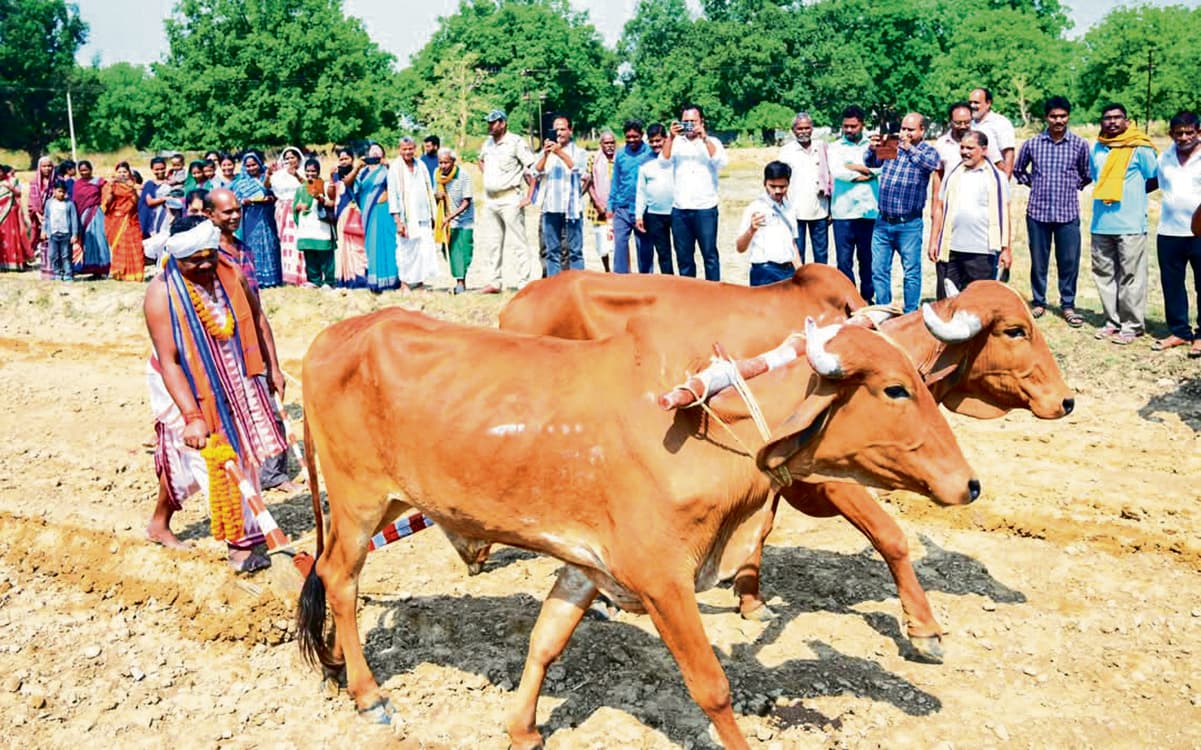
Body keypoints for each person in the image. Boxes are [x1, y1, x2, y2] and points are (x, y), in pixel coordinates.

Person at [143, 216, 287, 572]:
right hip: (182, 386)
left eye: (209, 254)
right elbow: (170, 360)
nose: (206, 263)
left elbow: (257, 320)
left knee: (199, 460)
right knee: (219, 457)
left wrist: (273, 367)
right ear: (177, 256)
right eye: (195, 259)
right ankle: (243, 545)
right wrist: (192, 416)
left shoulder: (230, 272)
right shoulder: (161, 294)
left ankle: (158, 523)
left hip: (236, 376)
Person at [1014, 96, 1092, 325]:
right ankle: (1039, 302)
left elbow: (1086, 174)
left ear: (1068, 117)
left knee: (1069, 260)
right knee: (1039, 260)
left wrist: (1070, 186)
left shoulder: (1079, 145)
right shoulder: (1033, 144)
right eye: (1053, 116)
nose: (1058, 120)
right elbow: (1019, 170)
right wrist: (1036, 184)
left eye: (1062, 116)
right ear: (1046, 118)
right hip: (1038, 213)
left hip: (1067, 213)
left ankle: (1067, 304)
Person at [1089, 103, 1158, 345]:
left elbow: (1154, 179)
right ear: (1102, 121)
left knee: (1132, 276)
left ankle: (1132, 325)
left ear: (1127, 121)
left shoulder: (1141, 147)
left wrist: (1131, 195)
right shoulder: (1097, 147)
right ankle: (1112, 321)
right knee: (1104, 274)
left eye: (1118, 117)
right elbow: (1095, 178)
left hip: (1130, 223)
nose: (1112, 122)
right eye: (1107, 118)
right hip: (1101, 223)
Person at [866, 112, 940, 313]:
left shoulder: (927, 151)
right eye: (903, 128)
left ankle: (910, 312)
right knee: (879, 270)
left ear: (922, 130)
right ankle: (884, 310)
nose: (905, 133)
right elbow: (871, 163)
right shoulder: (892, 145)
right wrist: (872, 149)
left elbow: (931, 165)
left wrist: (908, 148)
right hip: (883, 221)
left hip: (909, 224)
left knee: (911, 272)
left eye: (910, 129)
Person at [927, 131, 1011, 290]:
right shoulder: (952, 175)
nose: (965, 152)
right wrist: (933, 241)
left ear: (984, 150)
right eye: (963, 147)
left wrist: (1006, 249)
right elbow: (940, 207)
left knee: (977, 303)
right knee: (947, 301)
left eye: (970, 148)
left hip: (982, 251)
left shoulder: (997, 178)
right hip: (950, 249)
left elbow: (1005, 215)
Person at [1150, 111, 1201, 357]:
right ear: (1171, 134)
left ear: (1198, 132)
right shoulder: (1164, 158)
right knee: (1172, 285)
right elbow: (1152, 184)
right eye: (1178, 133)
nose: (1183, 137)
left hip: (1200, 233)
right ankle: (1180, 331)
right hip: (1169, 231)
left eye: (1189, 132)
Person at [662, 105, 727, 280]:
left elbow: (721, 162)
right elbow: (663, 162)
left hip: (705, 208)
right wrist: (670, 137)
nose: (689, 125)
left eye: (693, 121)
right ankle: (687, 296)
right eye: (686, 122)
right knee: (684, 258)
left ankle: (714, 294)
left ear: (701, 122)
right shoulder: (675, 143)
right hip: (680, 209)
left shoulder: (713, 142)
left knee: (709, 255)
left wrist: (704, 138)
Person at [478, 109, 536, 293]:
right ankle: (494, 282)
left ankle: (524, 283)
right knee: (493, 243)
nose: (490, 125)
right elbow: (480, 161)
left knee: (518, 243)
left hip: (510, 197)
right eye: (489, 122)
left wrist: (529, 196)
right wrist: (488, 176)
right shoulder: (487, 143)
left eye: (493, 122)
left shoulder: (515, 142)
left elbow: (531, 169)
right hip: (491, 200)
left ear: (502, 123)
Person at [828, 105, 879, 302]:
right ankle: (849, 300)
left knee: (867, 259)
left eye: (853, 126)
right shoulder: (835, 148)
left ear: (862, 125)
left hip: (869, 211)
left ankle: (868, 297)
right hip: (843, 212)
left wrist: (854, 167)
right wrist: (865, 173)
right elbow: (838, 171)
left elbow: (882, 169)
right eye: (846, 126)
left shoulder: (873, 145)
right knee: (844, 261)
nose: (849, 130)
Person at [529, 114, 586, 276]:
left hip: (572, 208)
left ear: (570, 130)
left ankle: (578, 284)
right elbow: (535, 172)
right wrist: (546, 155)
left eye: (563, 129)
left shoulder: (579, 152)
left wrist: (559, 152)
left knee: (575, 251)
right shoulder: (546, 151)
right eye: (556, 130)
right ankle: (554, 285)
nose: (559, 133)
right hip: (551, 207)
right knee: (552, 251)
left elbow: (579, 170)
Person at [736, 161, 802, 286]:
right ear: (764, 183)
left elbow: (792, 243)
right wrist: (751, 230)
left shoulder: (789, 208)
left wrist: (800, 270)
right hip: (764, 272)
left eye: (782, 187)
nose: (777, 191)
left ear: (788, 184)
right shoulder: (755, 208)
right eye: (772, 186)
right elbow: (740, 247)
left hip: (788, 271)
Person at [388, 136, 440, 291]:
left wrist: (433, 215)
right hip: (406, 218)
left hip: (423, 215)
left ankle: (419, 282)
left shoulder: (421, 165)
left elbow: (429, 190)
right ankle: (405, 283)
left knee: (423, 250)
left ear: (415, 148)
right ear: (399, 150)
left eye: (410, 149)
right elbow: (393, 196)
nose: (408, 152)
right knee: (406, 251)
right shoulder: (395, 168)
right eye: (404, 149)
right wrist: (398, 221)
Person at [345, 142, 399, 293]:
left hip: (385, 211)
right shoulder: (362, 173)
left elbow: (396, 189)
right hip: (369, 214)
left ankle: (392, 279)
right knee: (372, 245)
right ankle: (376, 281)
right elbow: (348, 185)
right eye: (372, 151)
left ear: (383, 155)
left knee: (388, 244)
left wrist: (389, 167)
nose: (375, 154)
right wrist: (357, 167)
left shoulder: (387, 170)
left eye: (378, 151)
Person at [778, 112, 831, 264]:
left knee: (821, 254)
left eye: (807, 128)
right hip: (795, 210)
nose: (804, 132)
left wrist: (831, 207)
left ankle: (819, 286)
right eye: (800, 129)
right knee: (797, 254)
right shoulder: (786, 152)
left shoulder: (821, 148)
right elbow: (781, 181)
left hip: (820, 209)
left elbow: (830, 177)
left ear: (812, 129)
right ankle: (799, 287)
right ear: (793, 130)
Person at [608, 120, 655, 273]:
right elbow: (615, 181)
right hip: (622, 208)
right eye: (628, 137)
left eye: (635, 136)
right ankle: (620, 282)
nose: (631, 140)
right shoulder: (621, 154)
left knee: (644, 249)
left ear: (642, 135)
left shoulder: (650, 153)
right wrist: (610, 206)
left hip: (643, 209)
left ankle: (646, 281)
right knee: (620, 246)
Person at [230, 151, 283, 289]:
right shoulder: (241, 182)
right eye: (248, 166)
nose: (251, 168)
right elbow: (235, 200)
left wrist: (270, 199)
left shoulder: (269, 177)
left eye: (254, 165)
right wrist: (244, 201)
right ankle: (256, 278)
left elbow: (278, 194)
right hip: (250, 217)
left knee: (270, 244)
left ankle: (273, 278)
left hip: (267, 215)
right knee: (253, 246)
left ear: (259, 164)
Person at [634, 123, 675, 274]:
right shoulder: (644, 162)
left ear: (665, 138)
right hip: (654, 214)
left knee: (682, 252)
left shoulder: (675, 157)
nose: (655, 144)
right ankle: (669, 284)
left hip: (676, 211)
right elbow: (641, 191)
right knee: (663, 253)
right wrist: (639, 215)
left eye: (658, 140)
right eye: (652, 141)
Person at [205, 188, 259, 295]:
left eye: (238, 210)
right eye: (228, 212)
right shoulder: (208, 253)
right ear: (210, 214)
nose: (236, 216)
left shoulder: (243, 249)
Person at [435, 148, 474, 294]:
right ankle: (459, 280)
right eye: (440, 163)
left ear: (453, 162)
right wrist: (437, 196)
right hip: (446, 221)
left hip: (464, 220)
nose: (443, 166)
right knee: (449, 252)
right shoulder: (437, 175)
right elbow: (436, 194)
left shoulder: (464, 176)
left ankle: (461, 282)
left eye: (446, 162)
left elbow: (466, 202)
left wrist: (450, 217)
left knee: (463, 251)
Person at [294, 158, 337, 287]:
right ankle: (314, 280)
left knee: (325, 254)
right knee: (310, 253)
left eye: (313, 171)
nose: (310, 174)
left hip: (321, 225)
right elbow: (295, 206)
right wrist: (298, 207)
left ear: (318, 171)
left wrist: (320, 198)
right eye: (307, 171)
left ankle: (329, 281)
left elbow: (332, 203)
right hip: (306, 225)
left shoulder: (324, 185)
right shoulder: (301, 188)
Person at [330, 147, 367, 288]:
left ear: (352, 159)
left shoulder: (360, 173)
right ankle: (347, 278)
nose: (343, 162)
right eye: (341, 159)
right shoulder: (336, 175)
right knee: (344, 248)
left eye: (346, 159)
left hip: (356, 213)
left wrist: (357, 168)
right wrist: (330, 177)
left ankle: (361, 277)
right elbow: (332, 194)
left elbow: (349, 182)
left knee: (358, 247)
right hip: (341, 214)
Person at [103, 161, 146, 281]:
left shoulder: (134, 185)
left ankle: (136, 274)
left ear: (129, 173)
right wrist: (111, 189)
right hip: (115, 220)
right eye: (119, 172)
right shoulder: (110, 185)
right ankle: (119, 273)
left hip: (131, 220)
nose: (122, 174)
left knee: (135, 245)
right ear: (115, 173)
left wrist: (132, 188)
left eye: (125, 172)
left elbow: (138, 202)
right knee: (119, 247)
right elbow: (106, 204)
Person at [269, 146, 306, 285]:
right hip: (281, 210)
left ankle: (302, 275)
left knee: (298, 240)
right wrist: (269, 174)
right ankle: (289, 276)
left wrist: (295, 174)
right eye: (287, 158)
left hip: (298, 208)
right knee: (285, 242)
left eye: (292, 157)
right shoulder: (279, 174)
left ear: (298, 158)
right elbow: (268, 186)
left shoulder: (303, 172)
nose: (290, 160)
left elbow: (309, 186)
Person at [72, 160, 111, 277]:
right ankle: (89, 267)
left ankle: (102, 268)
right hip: (81, 216)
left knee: (99, 240)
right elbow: (75, 201)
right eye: (81, 171)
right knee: (87, 241)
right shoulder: (77, 184)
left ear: (91, 169)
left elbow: (107, 195)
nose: (84, 173)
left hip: (96, 214)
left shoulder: (99, 182)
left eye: (86, 170)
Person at [584, 130, 616, 271]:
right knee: (602, 244)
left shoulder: (620, 158)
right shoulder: (593, 159)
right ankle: (607, 270)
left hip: (617, 208)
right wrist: (598, 203)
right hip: (598, 209)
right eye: (606, 143)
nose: (609, 146)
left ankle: (619, 271)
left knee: (617, 243)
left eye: (612, 142)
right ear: (601, 144)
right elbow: (588, 182)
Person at [969, 87, 1016, 177]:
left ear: (988, 103)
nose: (972, 106)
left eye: (976, 103)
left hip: (993, 176)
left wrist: (1005, 183)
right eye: (970, 102)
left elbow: (1009, 155)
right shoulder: (969, 124)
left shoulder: (1000, 122)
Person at [44, 180, 80, 281]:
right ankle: (57, 273)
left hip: (65, 234)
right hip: (53, 233)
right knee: (53, 255)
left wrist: (74, 234)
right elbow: (46, 218)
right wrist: (44, 231)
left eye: (63, 192)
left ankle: (68, 274)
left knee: (66, 255)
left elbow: (74, 219)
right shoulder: (49, 203)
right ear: (54, 191)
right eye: (59, 191)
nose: (61, 194)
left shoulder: (69, 204)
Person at [0, 166, 31, 272]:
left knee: (11, 236)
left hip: (9, 213)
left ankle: (14, 263)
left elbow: (19, 193)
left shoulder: (11, 181)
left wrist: (9, 187)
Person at [29, 156, 54, 277]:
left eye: (49, 166)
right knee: (42, 240)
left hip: (55, 216)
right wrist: (38, 214)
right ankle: (45, 267)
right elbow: (32, 200)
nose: (47, 168)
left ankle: (55, 267)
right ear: (39, 167)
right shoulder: (34, 183)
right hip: (39, 216)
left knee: (53, 240)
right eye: (44, 166)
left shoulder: (57, 181)